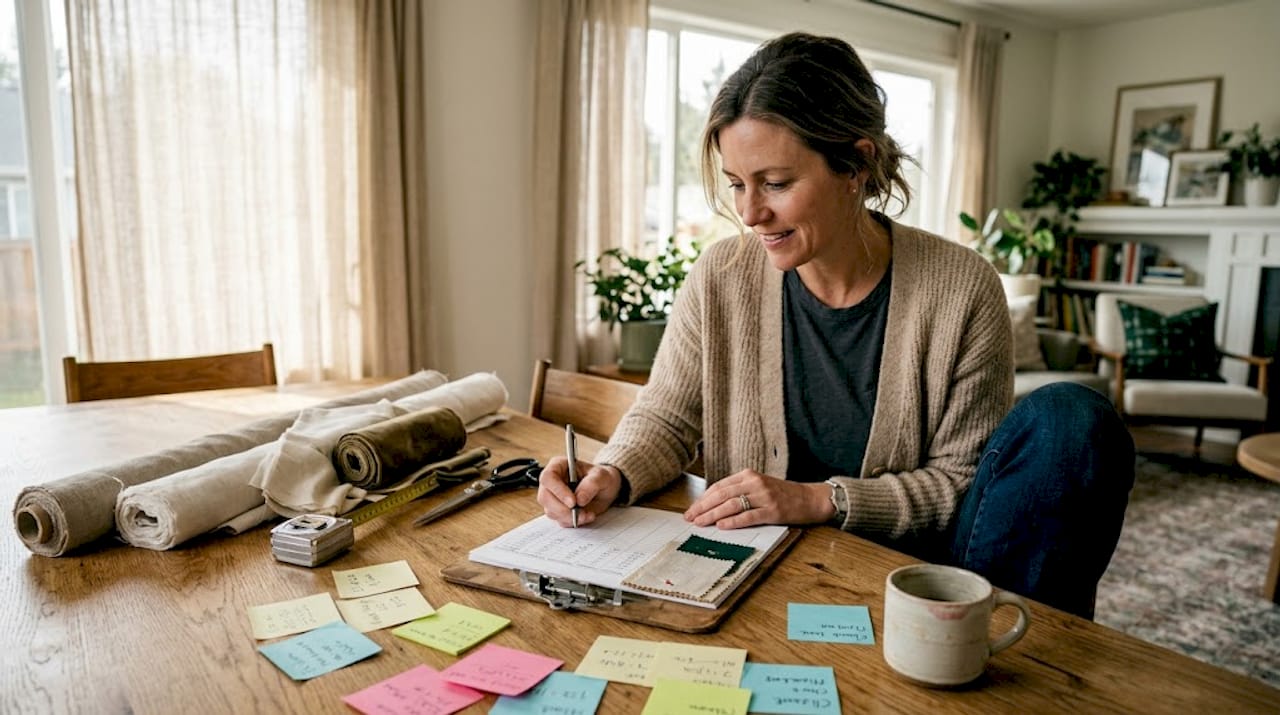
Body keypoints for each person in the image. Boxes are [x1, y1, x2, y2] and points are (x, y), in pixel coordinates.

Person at [536, 32, 1134, 619]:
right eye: (737, 185)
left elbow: (962, 486)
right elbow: (667, 415)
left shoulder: (961, 287)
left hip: (912, 571)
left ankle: (1006, 658)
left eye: (776, 183)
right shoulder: (722, 274)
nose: (750, 213)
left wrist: (820, 500)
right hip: (756, 565)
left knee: (1072, 419)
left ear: (856, 164)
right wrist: (611, 473)